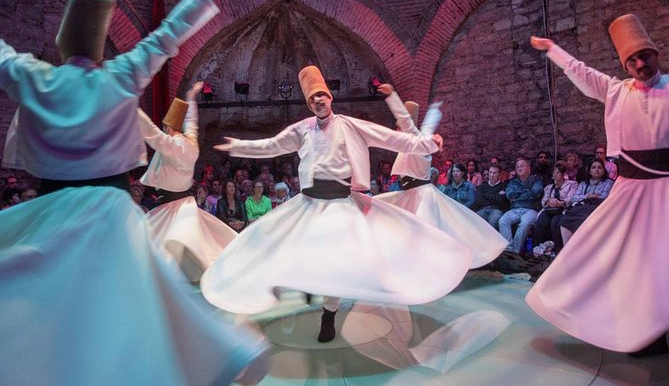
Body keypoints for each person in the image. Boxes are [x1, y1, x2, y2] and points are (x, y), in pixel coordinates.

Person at [0, 0, 267, 386]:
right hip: (109, 214)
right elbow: (165, 39)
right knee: (138, 309)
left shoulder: (35, 78)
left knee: (52, 306)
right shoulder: (120, 78)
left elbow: (2, 56)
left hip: (53, 210)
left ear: (64, 38)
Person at [201, 66, 472, 343]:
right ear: (309, 104)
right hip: (309, 202)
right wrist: (238, 146)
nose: (318, 101)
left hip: (340, 203)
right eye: (312, 99)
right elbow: (272, 145)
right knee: (280, 243)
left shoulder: (350, 124)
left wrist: (428, 144)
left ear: (330, 98)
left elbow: (392, 138)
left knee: (337, 259)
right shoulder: (302, 129)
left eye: (322, 96)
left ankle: (329, 313)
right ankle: (305, 282)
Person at [526, 14, 669, 355]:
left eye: (643, 56)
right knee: (612, 254)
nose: (639, 64)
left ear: (655, 54)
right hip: (631, 191)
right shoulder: (616, 92)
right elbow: (580, 71)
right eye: (631, 60)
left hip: (666, 189)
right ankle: (633, 327)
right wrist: (552, 50)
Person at [374, 85, 506, 268]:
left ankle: (437, 267)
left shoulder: (418, 141)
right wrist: (434, 110)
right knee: (381, 210)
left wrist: (392, 97)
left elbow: (415, 125)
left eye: (398, 126)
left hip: (422, 195)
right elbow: (421, 127)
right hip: (408, 193)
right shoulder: (408, 143)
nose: (396, 130)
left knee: (427, 233)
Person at [138, 82, 238, 282]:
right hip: (181, 202)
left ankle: (171, 280)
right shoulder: (190, 144)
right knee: (186, 242)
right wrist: (191, 99)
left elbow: (151, 133)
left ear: (167, 127)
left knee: (167, 243)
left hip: (173, 205)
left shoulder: (172, 145)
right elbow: (191, 124)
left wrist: (132, 107)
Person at [558, 158, 614, 248]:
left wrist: (592, 198)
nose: (597, 169)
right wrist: (587, 196)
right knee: (564, 220)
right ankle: (567, 250)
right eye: (594, 167)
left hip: (598, 208)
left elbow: (605, 196)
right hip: (582, 207)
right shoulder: (584, 184)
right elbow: (574, 197)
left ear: (604, 171)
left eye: (599, 167)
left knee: (584, 220)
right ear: (590, 171)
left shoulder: (608, 182)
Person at [497, 157, 543, 253]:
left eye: (522, 166)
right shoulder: (513, 181)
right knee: (503, 221)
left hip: (531, 209)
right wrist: (527, 191)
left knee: (524, 223)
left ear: (528, 168)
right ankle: (508, 251)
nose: (519, 168)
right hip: (515, 209)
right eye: (517, 167)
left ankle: (515, 252)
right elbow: (509, 194)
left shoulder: (536, 179)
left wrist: (517, 195)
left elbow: (536, 193)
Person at [533, 163, 578, 249]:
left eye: (557, 173)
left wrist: (560, 203)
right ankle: (538, 249)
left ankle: (558, 250)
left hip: (562, 210)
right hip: (550, 209)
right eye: (553, 173)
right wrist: (549, 201)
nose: (555, 175)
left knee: (555, 222)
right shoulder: (549, 187)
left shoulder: (572, 184)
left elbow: (572, 198)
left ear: (563, 174)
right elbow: (543, 200)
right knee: (540, 222)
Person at [474, 165, 509, 230]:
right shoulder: (482, 187)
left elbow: (502, 200)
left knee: (493, 221)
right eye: (490, 172)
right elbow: (478, 201)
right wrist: (495, 196)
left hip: (496, 210)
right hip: (482, 209)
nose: (492, 175)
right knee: (474, 219)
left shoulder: (504, 186)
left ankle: (491, 240)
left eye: (494, 173)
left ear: (499, 174)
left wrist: (485, 195)